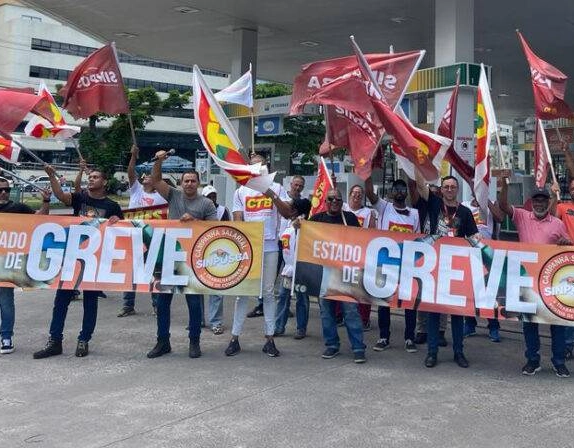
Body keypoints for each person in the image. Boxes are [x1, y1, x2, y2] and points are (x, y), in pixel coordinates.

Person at [33, 164, 123, 359]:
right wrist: (51, 177)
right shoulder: (80, 198)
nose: (91, 179)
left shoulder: (112, 206)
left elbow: (122, 231)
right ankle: (54, 340)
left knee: (90, 303)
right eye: (90, 176)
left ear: (104, 182)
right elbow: (61, 196)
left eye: (96, 176)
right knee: (61, 301)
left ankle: (84, 340)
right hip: (71, 258)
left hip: (93, 261)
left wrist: (117, 221)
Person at [146, 150, 217, 359]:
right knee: (162, 301)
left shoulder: (206, 204)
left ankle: (194, 341)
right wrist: (158, 160)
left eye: (193, 181)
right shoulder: (173, 195)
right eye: (186, 181)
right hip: (170, 255)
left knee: (194, 303)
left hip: (192, 259)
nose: (189, 184)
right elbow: (156, 179)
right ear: (181, 182)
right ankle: (162, 341)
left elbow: (214, 229)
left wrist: (196, 222)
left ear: (198, 183)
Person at [499, 174, 572, 378]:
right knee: (529, 323)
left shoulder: (557, 223)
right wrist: (504, 184)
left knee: (556, 323)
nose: (539, 203)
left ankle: (559, 362)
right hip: (528, 281)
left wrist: (566, 245)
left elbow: (566, 247)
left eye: (543, 200)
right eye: (536, 200)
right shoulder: (522, 216)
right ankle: (532, 360)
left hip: (550, 281)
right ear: (532, 203)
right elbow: (503, 205)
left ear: (549, 203)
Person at [225, 154, 293, 358]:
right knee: (243, 293)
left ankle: (269, 338)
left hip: (271, 246)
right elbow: (238, 221)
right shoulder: (240, 192)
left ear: (266, 167)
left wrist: (270, 193)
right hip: (249, 248)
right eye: (253, 165)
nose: (257, 168)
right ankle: (235, 337)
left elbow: (288, 212)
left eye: (260, 165)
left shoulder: (278, 188)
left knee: (269, 291)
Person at [415, 174, 479, 368]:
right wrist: (418, 159)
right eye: (446, 187)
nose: (449, 190)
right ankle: (432, 352)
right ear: (441, 190)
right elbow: (420, 183)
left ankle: (458, 352)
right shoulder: (433, 204)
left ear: (457, 190)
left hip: (456, 268)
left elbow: (473, 236)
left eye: (453, 187)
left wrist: (476, 240)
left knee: (458, 313)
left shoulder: (465, 212)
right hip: (434, 266)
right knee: (434, 312)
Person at [310, 188, 367, 363]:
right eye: (331, 199)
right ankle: (332, 344)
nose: (335, 201)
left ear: (342, 202)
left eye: (338, 199)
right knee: (326, 311)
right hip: (324, 273)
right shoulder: (316, 220)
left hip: (345, 273)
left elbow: (359, 241)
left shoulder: (349, 219)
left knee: (350, 311)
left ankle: (358, 347)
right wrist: (298, 225)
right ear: (325, 201)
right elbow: (305, 238)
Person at [365, 177, 420, 353]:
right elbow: (369, 193)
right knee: (384, 302)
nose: (399, 191)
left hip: (406, 265)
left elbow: (417, 239)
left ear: (407, 193)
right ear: (390, 192)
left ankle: (410, 337)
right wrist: (367, 171)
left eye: (403, 189)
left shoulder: (414, 214)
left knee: (409, 304)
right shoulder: (384, 207)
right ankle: (383, 337)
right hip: (386, 263)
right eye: (396, 188)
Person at [0, 177, 50, 354]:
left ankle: (6, 337)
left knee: (5, 303)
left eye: (6, 189)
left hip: (5, 266)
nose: (4, 193)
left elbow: (41, 218)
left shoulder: (17, 208)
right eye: (0, 190)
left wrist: (45, 200)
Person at [117, 145, 168, 318]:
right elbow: (131, 171)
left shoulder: (161, 196)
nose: (145, 177)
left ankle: (156, 305)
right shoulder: (136, 190)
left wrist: (158, 162)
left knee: (154, 272)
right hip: (133, 236)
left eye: (149, 176)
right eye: (144, 176)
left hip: (153, 238)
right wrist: (133, 156)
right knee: (131, 271)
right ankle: (128, 305)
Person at [248, 175, 306, 318]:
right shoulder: (281, 195)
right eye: (295, 185)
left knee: (289, 276)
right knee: (270, 275)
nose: (297, 187)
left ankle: (285, 307)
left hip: (292, 243)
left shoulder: (304, 202)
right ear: (291, 184)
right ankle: (261, 304)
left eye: (300, 186)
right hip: (277, 240)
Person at [461, 196, 505, 342]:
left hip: (488, 251)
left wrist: (485, 202)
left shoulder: (492, 203)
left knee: (489, 290)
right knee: (470, 288)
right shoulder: (464, 205)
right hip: (468, 250)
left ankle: (493, 326)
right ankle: (470, 323)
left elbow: (500, 218)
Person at [274, 198, 311, 339]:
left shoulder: (303, 223)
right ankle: (279, 327)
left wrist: (300, 226)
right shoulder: (288, 223)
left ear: (296, 210)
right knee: (283, 297)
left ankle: (301, 328)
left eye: (290, 207)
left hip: (301, 270)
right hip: (288, 270)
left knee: (301, 299)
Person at [342, 184, 376, 330]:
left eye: (359, 193)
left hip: (361, 253)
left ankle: (364, 319)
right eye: (354, 193)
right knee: (341, 285)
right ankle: (340, 316)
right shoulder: (342, 207)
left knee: (362, 287)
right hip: (344, 252)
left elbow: (372, 232)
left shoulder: (368, 212)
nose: (356, 195)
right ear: (349, 194)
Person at [201, 184, 230, 335]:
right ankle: (198, 319)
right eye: (209, 197)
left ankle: (216, 322)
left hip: (217, 251)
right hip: (200, 251)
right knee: (196, 287)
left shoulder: (223, 210)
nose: (212, 199)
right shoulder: (198, 208)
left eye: (214, 196)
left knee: (217, 288)